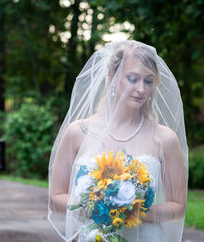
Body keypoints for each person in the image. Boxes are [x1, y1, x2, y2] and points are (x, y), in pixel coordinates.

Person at [48, 40, 188, 242]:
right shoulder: (78, 132)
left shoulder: (165, 138)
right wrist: (99, 208)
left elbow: (178, 205)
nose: (141, 89)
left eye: (148, 81)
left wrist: (131, 212)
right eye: (133, 79)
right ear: (112, 76)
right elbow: (55, 199)